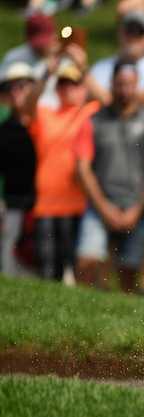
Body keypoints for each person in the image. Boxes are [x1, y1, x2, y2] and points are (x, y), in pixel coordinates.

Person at [74, 60, 144, 293]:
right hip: (101, 202)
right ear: (111, 84)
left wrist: (137, 209)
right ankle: (88, 307)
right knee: (87, 263)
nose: (125, 90)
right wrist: (103, 207)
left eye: (130, 84)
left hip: (137, 205)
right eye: (120, 84)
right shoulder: (94, 120)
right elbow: (83, 168)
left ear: (137, 85)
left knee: (128, 272)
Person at [27, 48, 100, 282]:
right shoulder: (46, 113)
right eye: (63, 83)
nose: (68, 88)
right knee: (47, 268)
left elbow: (108, 100)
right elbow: (27, 106)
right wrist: (46, 75)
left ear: (83, 88)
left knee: (72, 267)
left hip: (77, 202)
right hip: (46, 203)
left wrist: (83, 67)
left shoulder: (89, 113)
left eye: (74, 84)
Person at [87, 11, 144, 111]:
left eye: (140, 32)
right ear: (119, 33)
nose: (133, 37)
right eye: (130, 31)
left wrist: (103, 93)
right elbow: (89, 96)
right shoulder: (100, 67)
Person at [0, 63, 38, 278]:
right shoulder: (4, 127)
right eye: (10, 87)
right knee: (9, 259)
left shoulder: (45, 120)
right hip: (13, 204)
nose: (16, 92)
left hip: (45, 206)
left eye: (22, 86)